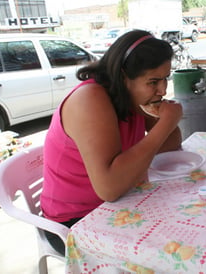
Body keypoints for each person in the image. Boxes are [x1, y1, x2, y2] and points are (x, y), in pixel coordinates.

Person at [40, 30, 183, 255]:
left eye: (166, 78)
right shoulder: (90, 99)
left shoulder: (130, 95)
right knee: (169, 252)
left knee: (185, 227)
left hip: (120, 203)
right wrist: (166, 123)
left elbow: (171, 144)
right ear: (124, 75)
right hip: (75, 222)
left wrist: (165, 121)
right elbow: (109, 188)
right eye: (153, 81)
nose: (163, 90)